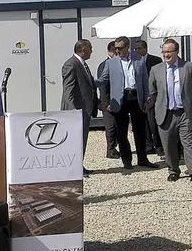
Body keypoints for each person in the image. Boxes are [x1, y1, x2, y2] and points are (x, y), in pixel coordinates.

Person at [147, 39, 192, 183]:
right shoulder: (156, 69)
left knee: (189, 142)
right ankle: (173, 170)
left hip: (184, 112)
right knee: (168, 144)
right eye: (164, 52)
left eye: (169, 52)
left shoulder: (189, 67)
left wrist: (189, 101)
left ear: (176, 52)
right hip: (165, 113)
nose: (166, 55)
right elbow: (152, 91)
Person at [98, 36, 158, 170]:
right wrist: (92, 83)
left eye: (119, 48)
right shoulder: (111, 63)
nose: (117, 50)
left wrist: (147, 99)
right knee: (121, 131)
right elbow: (103, 81)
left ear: (127, 47)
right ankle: (127, 161)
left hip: (136, 96)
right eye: (115, 48)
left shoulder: (139, 60)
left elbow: (145, 81)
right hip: (121, 98)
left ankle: (142, 159)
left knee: (140, 130)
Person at [60, 39, 97, 176]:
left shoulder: (83, 64)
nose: (92, 51)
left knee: (82, 140)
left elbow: (89, 87)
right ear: (83, 50)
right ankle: (73, 169)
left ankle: (79, 165)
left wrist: (98, 103)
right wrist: (73, 112)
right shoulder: (71, 65)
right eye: (90, 48)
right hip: (76, 111)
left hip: (84, 110)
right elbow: (68, 90)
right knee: (75, 141)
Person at [134, 40, 164, 157]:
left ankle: (159, 146)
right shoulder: (134, 62)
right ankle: (148, 145)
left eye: (140, 48)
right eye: (136, 49)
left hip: (153, 95)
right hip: (139, 96)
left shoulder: (155, 60)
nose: (138, 51)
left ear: (145, 48)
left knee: (153, 122)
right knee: (143, 122)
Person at [97, 41, 119, 159]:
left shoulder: (115, 63)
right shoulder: (105, 64)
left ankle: (113, 147)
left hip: (116, 100)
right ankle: (110, 150)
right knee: (110, 126)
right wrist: (106, 103)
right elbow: (103, 85)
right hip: (108, 101)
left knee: (115, 125)